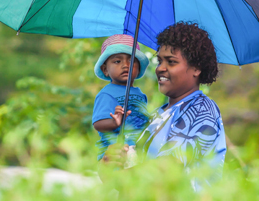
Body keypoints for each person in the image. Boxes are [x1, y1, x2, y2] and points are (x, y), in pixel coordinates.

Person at [104, 22, 227, 191]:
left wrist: (117, 179)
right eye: (159, 60)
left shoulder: (202, 109)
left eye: (171, 61)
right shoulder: (158, 114)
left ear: (196, 68)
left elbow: (168, 169)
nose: (160, 68)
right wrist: (110, 162)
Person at [92, 34, 150, 161]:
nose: (125, 65)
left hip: (138, 149)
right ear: (105, 69)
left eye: (131, 61)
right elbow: (98, 124)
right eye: (117, 61)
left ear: (138, 67)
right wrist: (114, 122)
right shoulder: (107, 94)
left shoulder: (140, 94)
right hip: (116, 152)